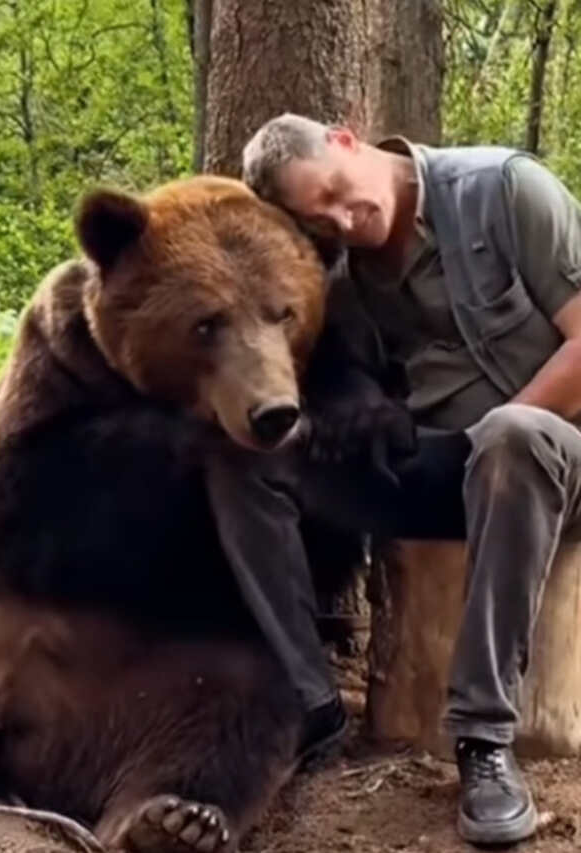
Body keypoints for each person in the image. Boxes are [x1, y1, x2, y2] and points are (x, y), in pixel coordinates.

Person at [221, 113, 581, 845]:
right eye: (316, 218)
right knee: (246, 458)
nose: (340, 220)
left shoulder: (507, 190)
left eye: (334, 193)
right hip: (456, 468)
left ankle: (483, 739)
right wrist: (365, 415)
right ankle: (312, 703)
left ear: (348, 138)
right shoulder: (344, 282)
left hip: (558, 457)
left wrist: (485, 436)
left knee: (511, 438)